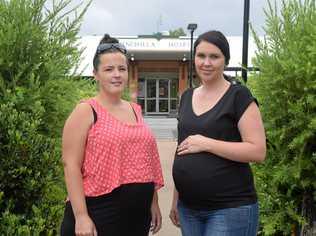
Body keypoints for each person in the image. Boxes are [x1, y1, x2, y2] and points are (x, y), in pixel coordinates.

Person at [60, 34, 164, 236]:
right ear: (95, 74)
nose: (117, 74)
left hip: (137, 215)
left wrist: (154, 202)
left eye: (122, 69)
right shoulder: (86, 111)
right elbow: (70, 164)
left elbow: (145, 161)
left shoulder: (135, 110)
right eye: (109, 69)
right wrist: (81, 216)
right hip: (99, 212)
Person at [169, 30, 266, 236]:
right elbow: (183, 149)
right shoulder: (186, 97)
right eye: (201, 56)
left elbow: (257, 151)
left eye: (214, 56)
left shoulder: (238, 96)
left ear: (225, 60)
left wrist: (208, 144)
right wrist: (176, 199)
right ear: (194, 58)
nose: (206, 62)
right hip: (189, 209)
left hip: (230, 209)